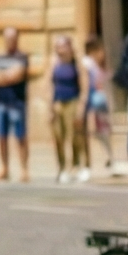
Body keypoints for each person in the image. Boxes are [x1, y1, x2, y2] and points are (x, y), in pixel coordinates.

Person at [0, 26, 30, 181]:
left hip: (17, 103)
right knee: (2, 137)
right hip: (1, 103)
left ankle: (24, 170)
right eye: (7, 38)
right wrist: (6, 76)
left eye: (12, 38)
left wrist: (1, 77)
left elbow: (17, 75)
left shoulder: (22, 57)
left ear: (17, 39)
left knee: (21, 137)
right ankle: (4, 168)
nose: (9, 41)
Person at [48, 32, 88, 183]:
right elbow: (49, 84)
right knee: (58, 136)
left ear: (70, 47)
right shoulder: (54, 63)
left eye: (63, 46)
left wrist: (81, 107)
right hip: (58, 102)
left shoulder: (77, 63)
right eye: (58, 47)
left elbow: (83, 85)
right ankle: (62, 167)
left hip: (73, 101)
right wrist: (49, 107)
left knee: (74, 136)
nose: (60, 50)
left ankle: (76, 165)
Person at [82, 37, 118, 176]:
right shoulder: (87, 64)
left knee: (104, 131)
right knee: (98, 131)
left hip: (99, 101)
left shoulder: (95, 65)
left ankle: (110, 157)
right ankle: (106, 158)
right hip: (94, 102)